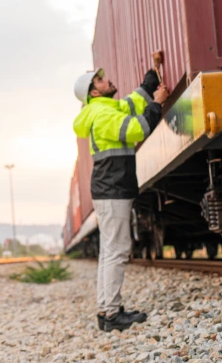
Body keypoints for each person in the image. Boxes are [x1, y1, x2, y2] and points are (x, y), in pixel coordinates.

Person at [72, 67, 168, 332]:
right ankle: (112, 315)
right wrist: (157, 104)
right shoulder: (103, 114)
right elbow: (137, 129)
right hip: (113, 190)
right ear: (94, 92)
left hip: (110, 189)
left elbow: (130, 104)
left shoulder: (105, 108)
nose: (107, 80)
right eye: (100, 80)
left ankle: (107, 311)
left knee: (109, 252)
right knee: (116, 251)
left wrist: (148, 84)